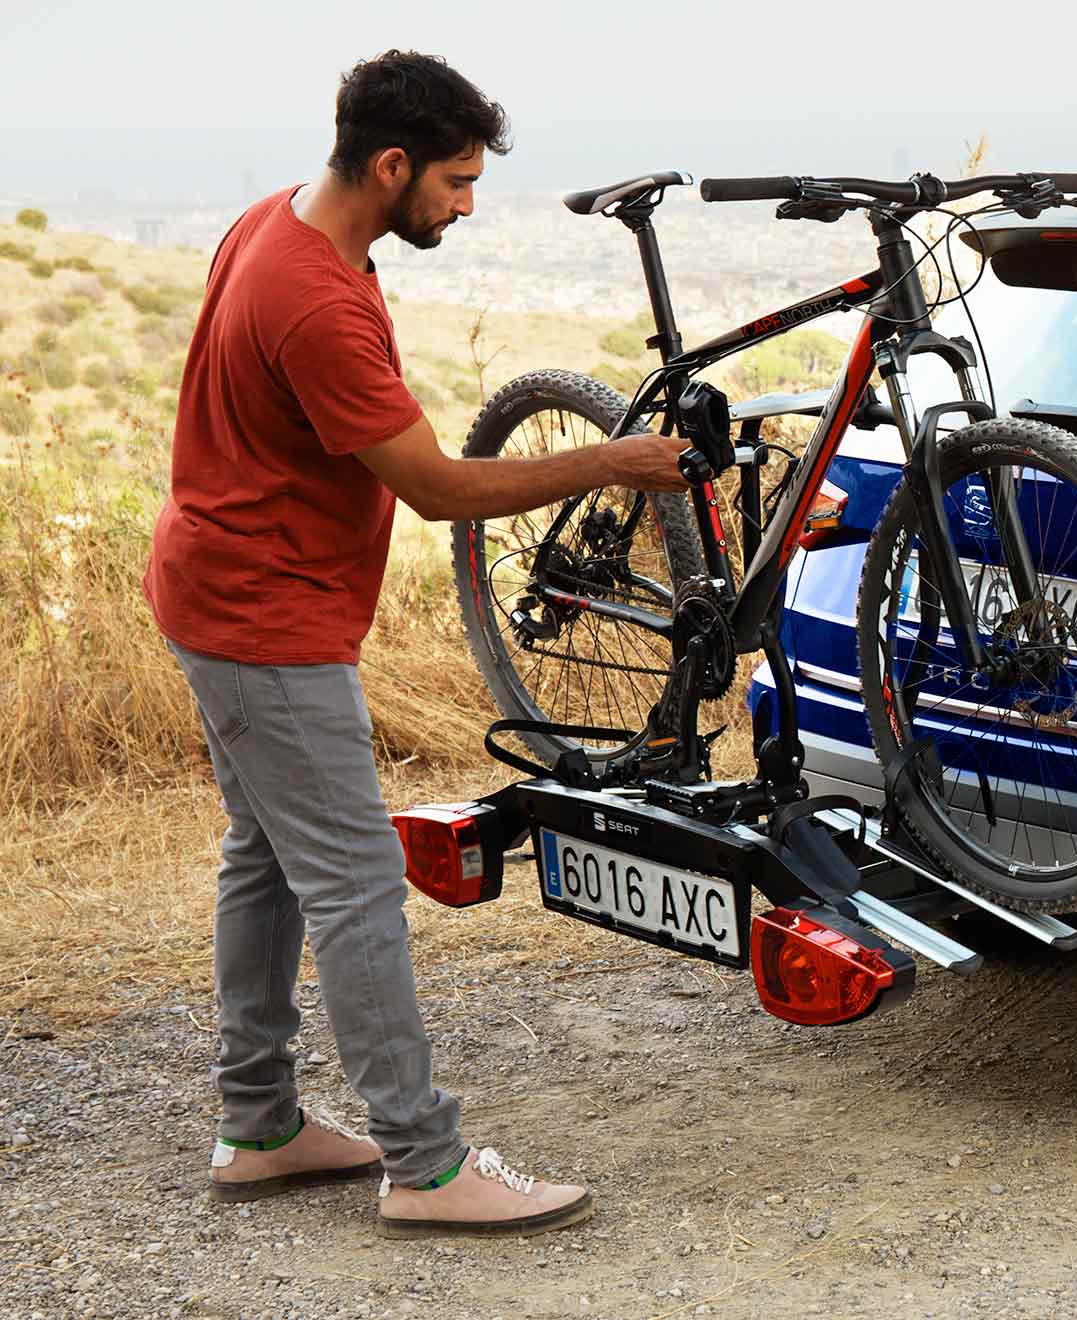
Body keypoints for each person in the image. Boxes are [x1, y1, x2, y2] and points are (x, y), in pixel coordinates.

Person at [144, 50, 688, 1238]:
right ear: (390, 166)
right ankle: (428, 1167)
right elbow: (439, 488)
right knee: (354, 887)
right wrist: (618, 462)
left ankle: (261, 1126)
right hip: (262, 621)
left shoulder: (279, 227)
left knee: (266, 856)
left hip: (218, 589)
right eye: (453, 180)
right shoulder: (316, 296)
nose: (465, 203)